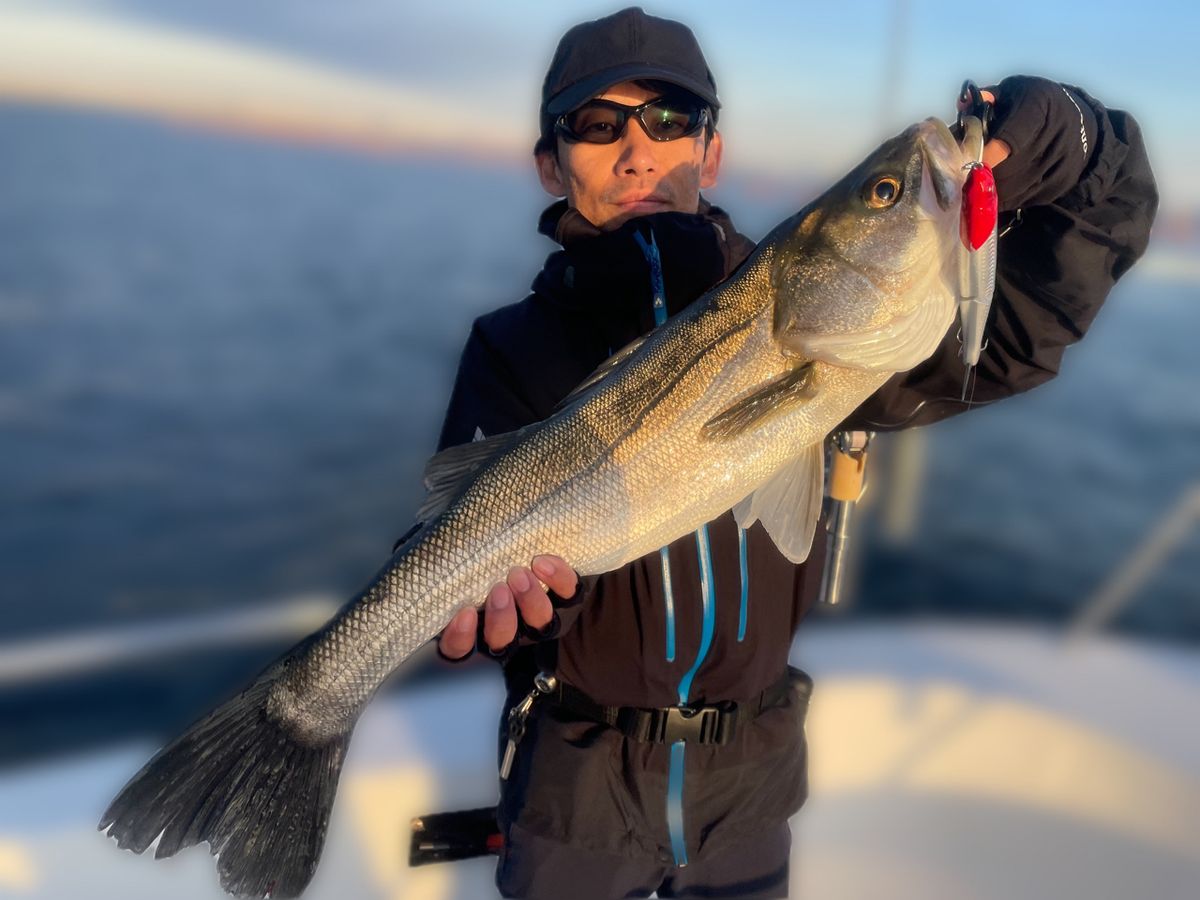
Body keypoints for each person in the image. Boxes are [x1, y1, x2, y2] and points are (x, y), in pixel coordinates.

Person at [426, 7, 1157, 898]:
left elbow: (1026, 329)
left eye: (670, 120)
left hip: (753, 785)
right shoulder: (515, 348)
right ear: (552, 162)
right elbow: (476, 567)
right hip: (575, 786)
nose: (638, 150)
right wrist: (528, 612)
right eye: (596, 123)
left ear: (712, 149)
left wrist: (1084, 148)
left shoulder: (843, 345)